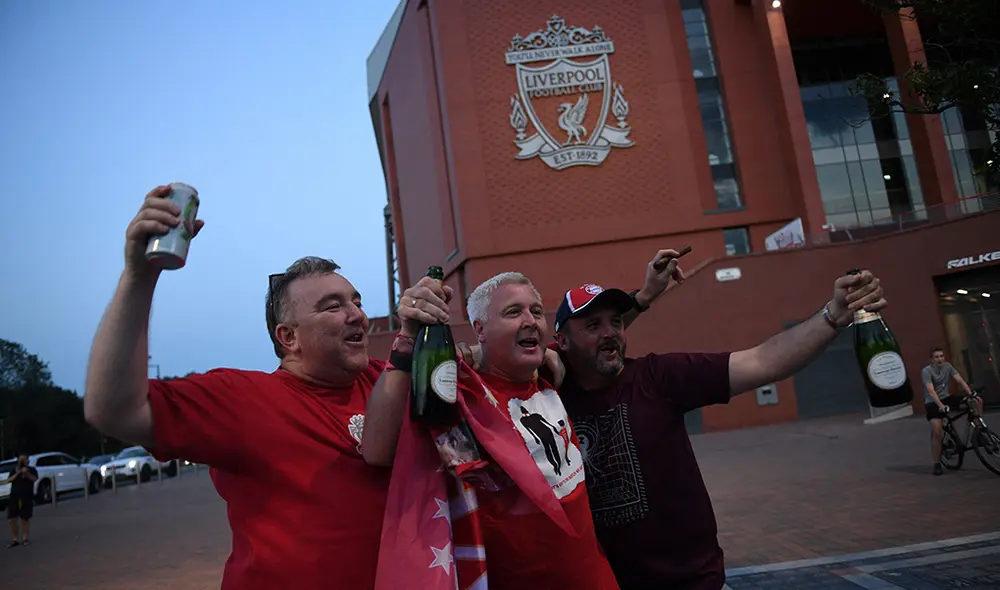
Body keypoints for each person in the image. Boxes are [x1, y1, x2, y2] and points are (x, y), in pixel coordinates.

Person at [83, 184, 454, 590]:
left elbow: (470, 371)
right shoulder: (243, 400)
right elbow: (113, 410)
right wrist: (139, 275)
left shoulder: (388, 379)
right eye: (333, 306)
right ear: (288, 337)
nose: (358, 316)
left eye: (357, 301)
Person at [550, 250, 887, 590]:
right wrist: (644, 296)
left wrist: (833, 316)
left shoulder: (659, 377)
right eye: (593, 324)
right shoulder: (547, 398)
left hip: (694, 584)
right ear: (562, 341)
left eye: (617, 322)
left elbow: (763, 361)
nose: (611, 332)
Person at [363, 272, 619, 589]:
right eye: (513, 312)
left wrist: (644, 298)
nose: (530, 321)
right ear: (480, 330)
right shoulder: (459, 396)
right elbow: (376, 449)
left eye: (536, 311)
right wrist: (407, 339)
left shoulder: (552, 372)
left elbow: (602, 340)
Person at [922, 347, 979, 475]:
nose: (940, 359)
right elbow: (931, 391)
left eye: (941, 356)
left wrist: (970, 393)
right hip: (933, 403)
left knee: (975, 401)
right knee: (937, 431)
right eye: (936, 357)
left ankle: (979, 430)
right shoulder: (927, 371)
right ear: (931, 359)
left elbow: (959, 379)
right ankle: (937, 463)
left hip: (947, 398)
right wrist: (940, 405)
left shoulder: (948, 366)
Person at [4, 454, 38, 548]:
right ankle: (15, 539)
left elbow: (34, 479)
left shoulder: (31, 470)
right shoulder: (14, 470)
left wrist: (26, 474)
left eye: (24, 460)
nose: (23, 462)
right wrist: (18, 473)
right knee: (12, 518)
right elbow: (9, 480)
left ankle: (25, 538)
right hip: (14, 496)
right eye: (21, 460)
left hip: (26, 496)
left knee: (25, 518)